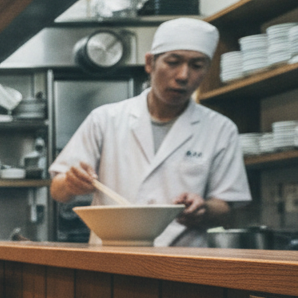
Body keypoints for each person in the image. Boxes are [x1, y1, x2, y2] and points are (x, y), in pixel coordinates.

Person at [49, 17, 251, 247]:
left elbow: (226, 207)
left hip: (182, 261)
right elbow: (57, 190)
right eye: (173, 62)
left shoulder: (221, 129)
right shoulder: (105, 119)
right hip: (113, 257)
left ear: (207, 69)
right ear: (149, 63)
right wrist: (71, 184)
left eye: (197, 65)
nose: (183, 75)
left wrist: (203, 209)